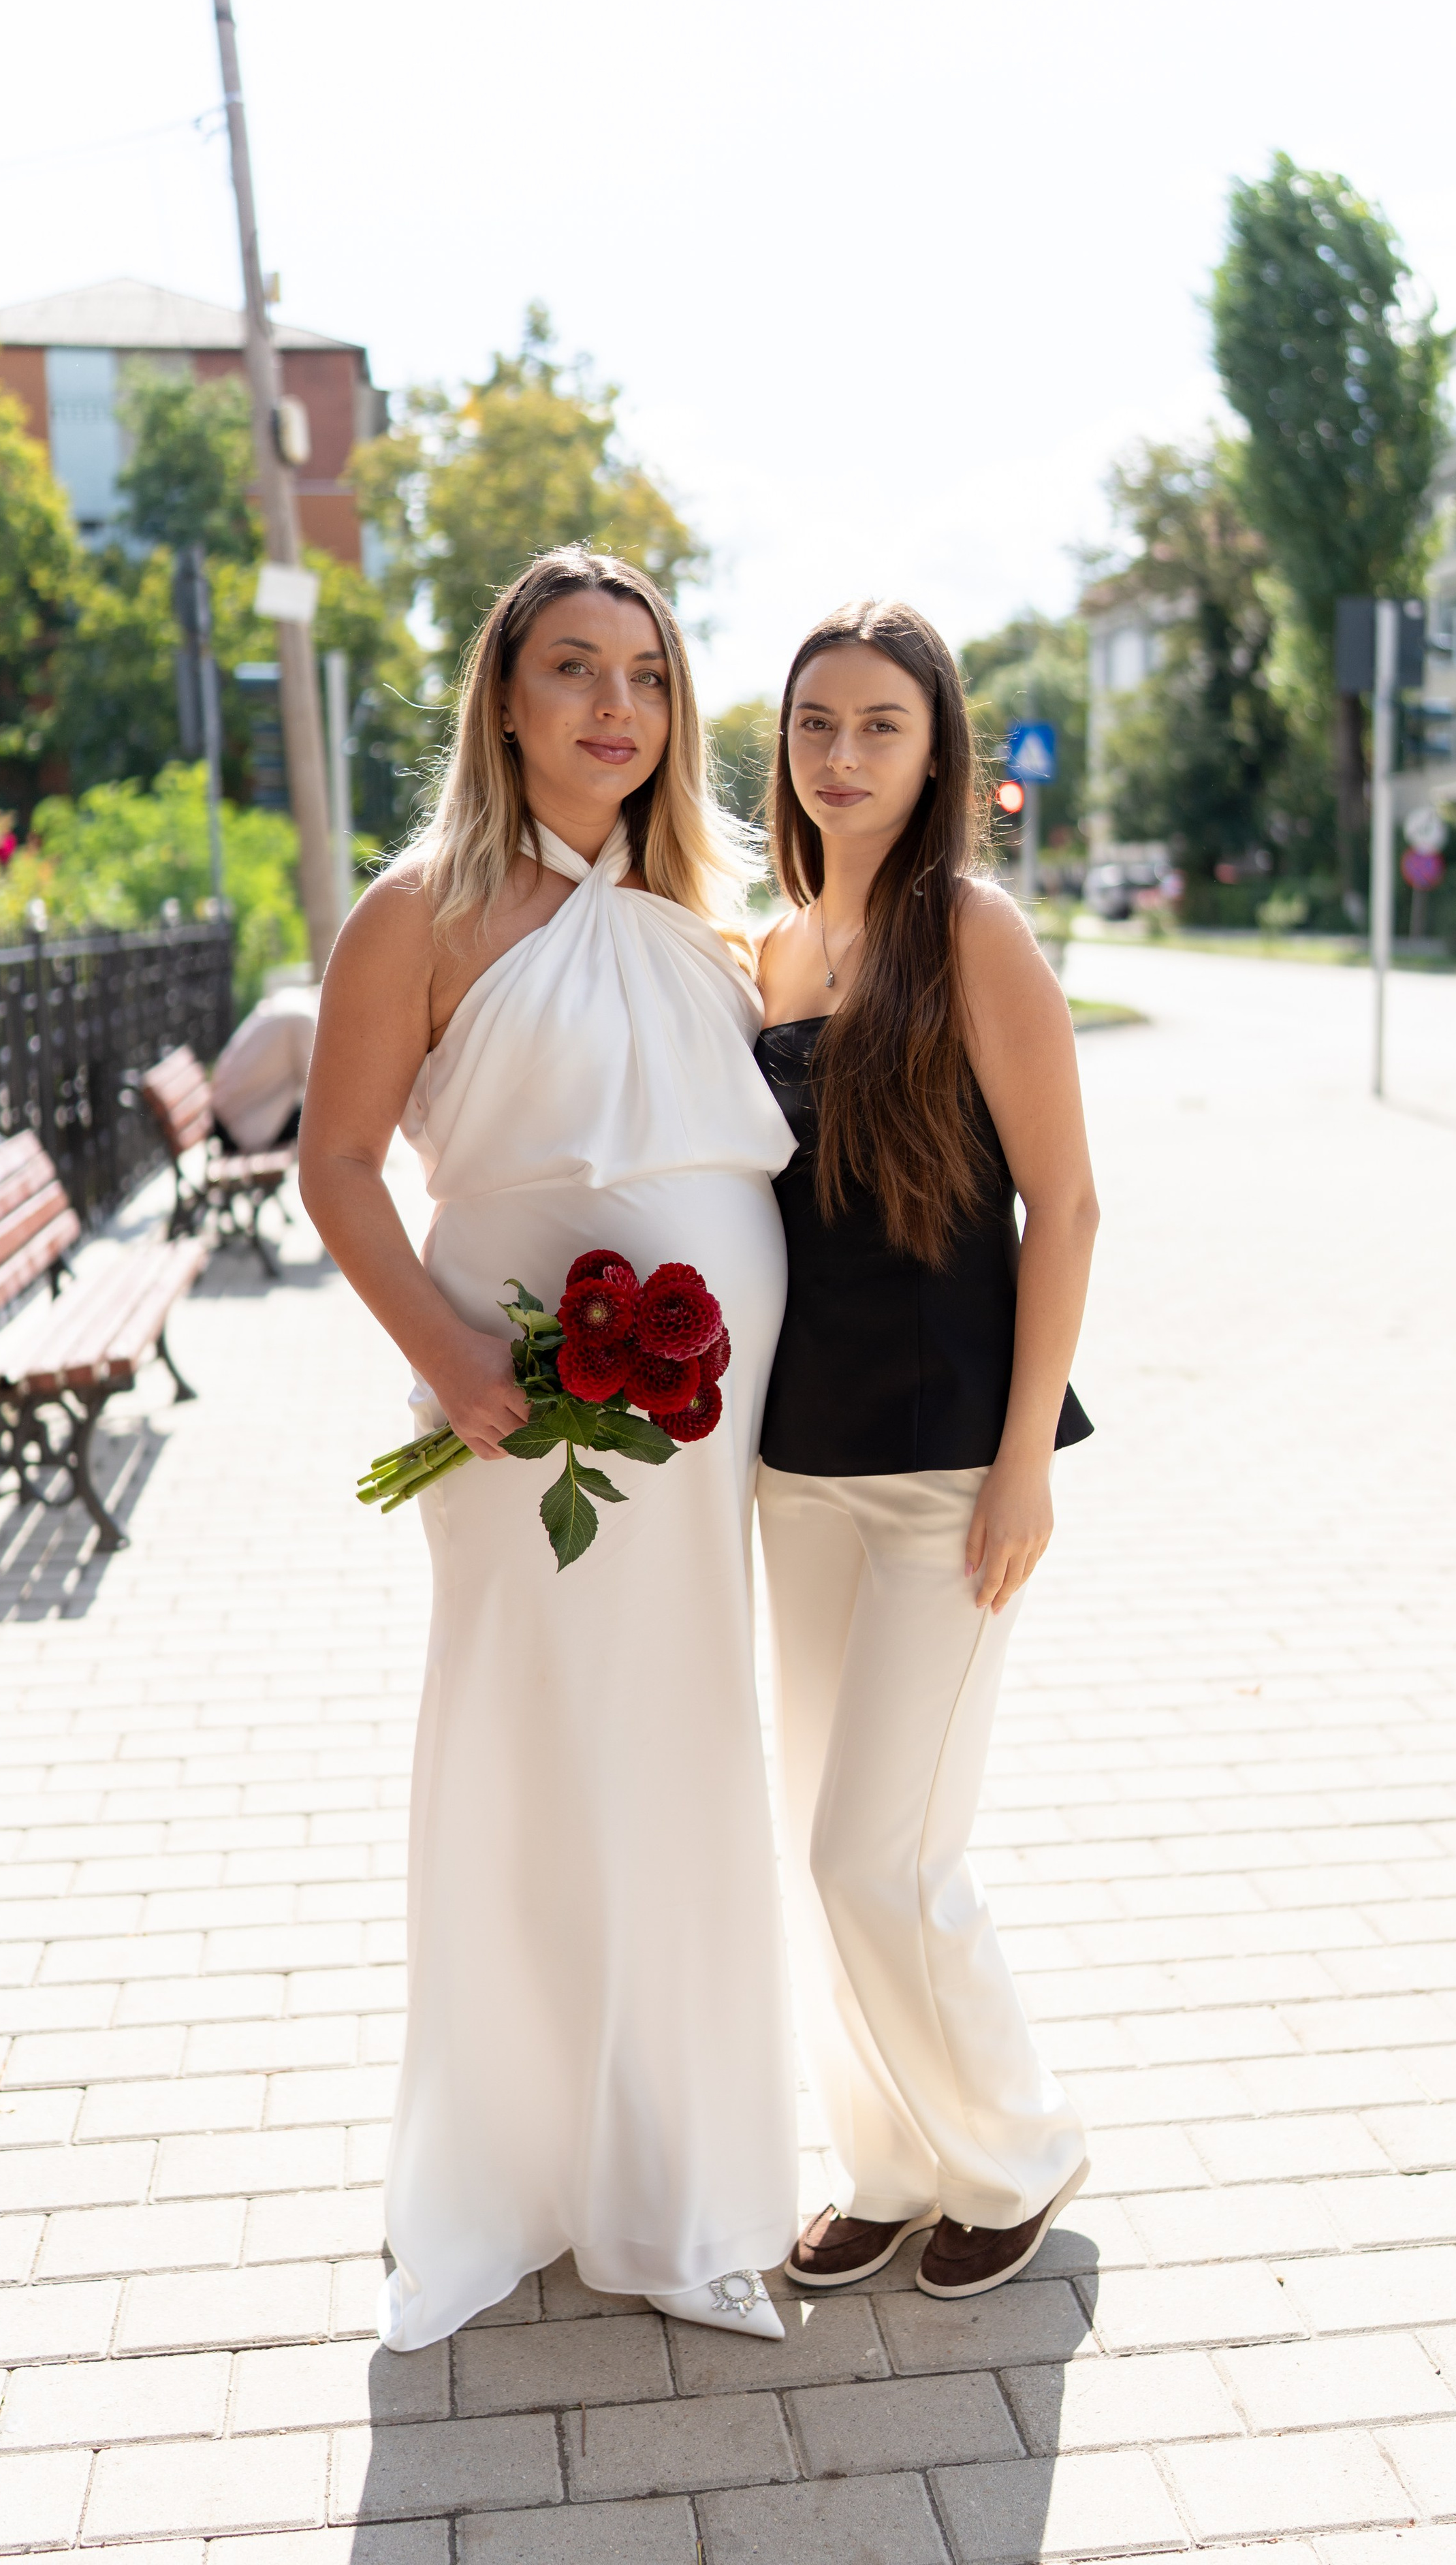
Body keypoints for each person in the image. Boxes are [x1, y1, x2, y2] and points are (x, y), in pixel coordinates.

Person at [300, 548, 800, 2351]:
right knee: (526, 1742)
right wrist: (448, 1355)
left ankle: (677, 2188)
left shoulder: (706, 912)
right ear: (502, 700)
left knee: (682, 1749)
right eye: (576, 668)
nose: (615, 705)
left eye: (648, 676)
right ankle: (503, 2182)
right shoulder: (418, 909)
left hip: (705, 1421)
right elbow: (336, 1165)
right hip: (515, 1409)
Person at [753, 599, 1098, 2303]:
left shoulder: (970, 930)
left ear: (935, 748)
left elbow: (1067, 1204)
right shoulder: (772, 951)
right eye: (816, 722)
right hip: (795, 1466)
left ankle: (1016, 2152)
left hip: (950, 1464)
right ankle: (888, 2165)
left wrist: (1024, 1459)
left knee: (880, 1851)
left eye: (879, 724)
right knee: (819, 1848)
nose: (842, 752)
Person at [210, 982, 318, 1152]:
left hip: (230, 1117)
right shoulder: (304, 1017)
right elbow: (317, 1085)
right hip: (244, 1127)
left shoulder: (295, 1000)